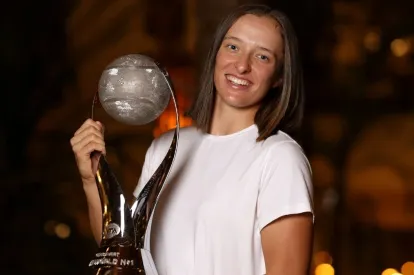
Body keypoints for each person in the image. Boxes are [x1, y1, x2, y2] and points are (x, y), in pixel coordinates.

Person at [71, 4, 314, 275]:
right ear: (216, 54)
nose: (242, 65)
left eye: (263, 57)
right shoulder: (165, 147)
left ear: (280, 77)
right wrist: (92, 179)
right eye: (233, 47)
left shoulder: (279, 157)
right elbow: (123, 251)